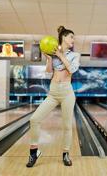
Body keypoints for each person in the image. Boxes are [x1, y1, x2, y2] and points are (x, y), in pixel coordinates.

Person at [26, 26, 80, 168]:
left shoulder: (75, 55)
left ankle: (66, 153)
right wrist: (50, 59)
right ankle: (33, 152)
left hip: (67, 93)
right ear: (64, 38)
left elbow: (73, 69)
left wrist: (61, 55)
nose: (73, 40)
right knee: (34, 119)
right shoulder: (53, 53)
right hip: (53, 92)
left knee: (67, 126)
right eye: (71, 37)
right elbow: (48, 72)